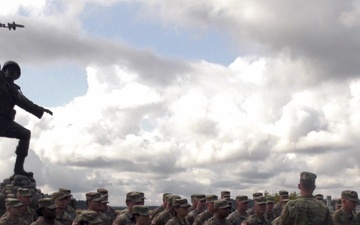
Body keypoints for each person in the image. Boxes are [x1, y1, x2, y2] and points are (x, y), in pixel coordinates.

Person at [0, 61, 53, 177]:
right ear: (4, 71)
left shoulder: (14, 91)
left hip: (5, 123)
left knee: (25, 134)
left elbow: (26, 103)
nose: (13, 72)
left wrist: (40, 110)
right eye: (10, 69)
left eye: (15, 71)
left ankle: (18, 169)